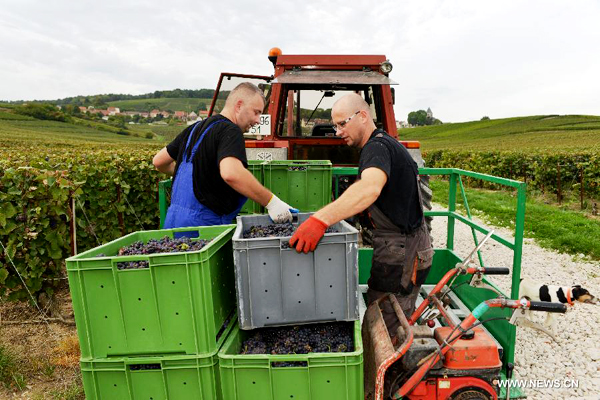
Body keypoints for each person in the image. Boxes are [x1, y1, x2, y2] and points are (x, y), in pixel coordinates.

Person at [289, 93, 433, 326]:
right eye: (335, 126)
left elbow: (369, 188)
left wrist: (320, 220)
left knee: (385, 327)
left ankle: (393, 362)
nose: (337, 132)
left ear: (363, 116)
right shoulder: (383, 143)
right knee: (383, 314)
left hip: (402, 255)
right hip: (398, 249)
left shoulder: (376, 148)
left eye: (342, 124)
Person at [152, 82, 295, 228]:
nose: (258, 120)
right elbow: (231, 173)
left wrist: (200, 174)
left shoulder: (194, 129)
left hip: (172, 222)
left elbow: (159, 161)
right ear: (239, 106)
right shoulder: (231, 131)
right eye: (256, 112)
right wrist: (272, 202)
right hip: (203, 228)